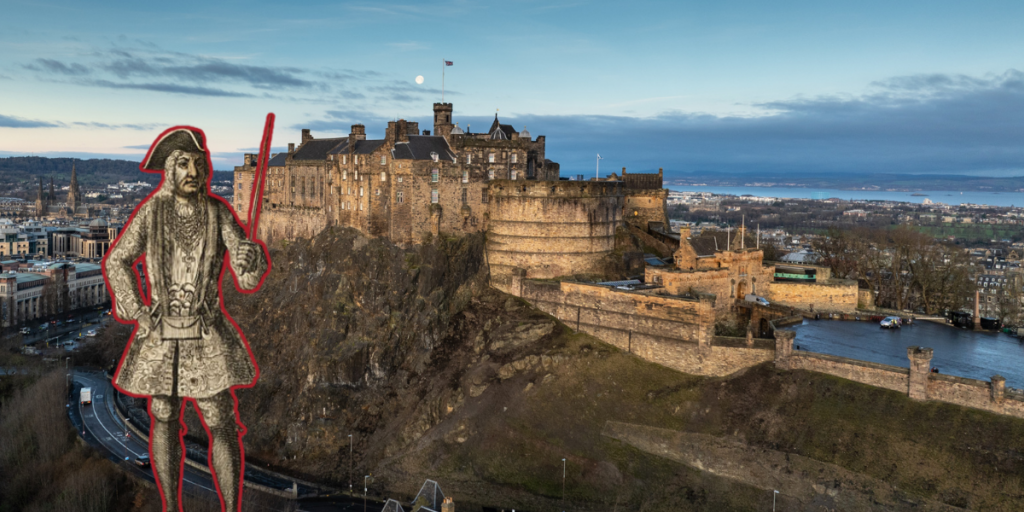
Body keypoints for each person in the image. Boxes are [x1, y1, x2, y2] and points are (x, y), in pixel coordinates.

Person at [104, 127, 269, 512]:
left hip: (206, 329)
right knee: (163, 413)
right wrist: (138, 310)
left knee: (219, 419)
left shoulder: (217, 212)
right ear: (168, 170)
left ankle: (231, 507)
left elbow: (244, 272)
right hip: (161, 329)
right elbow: (117, 260)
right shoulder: (152, 212)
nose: (194, 170)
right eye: (184, 163)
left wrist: (250, 259)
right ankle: (171, 507)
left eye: (199, 162)